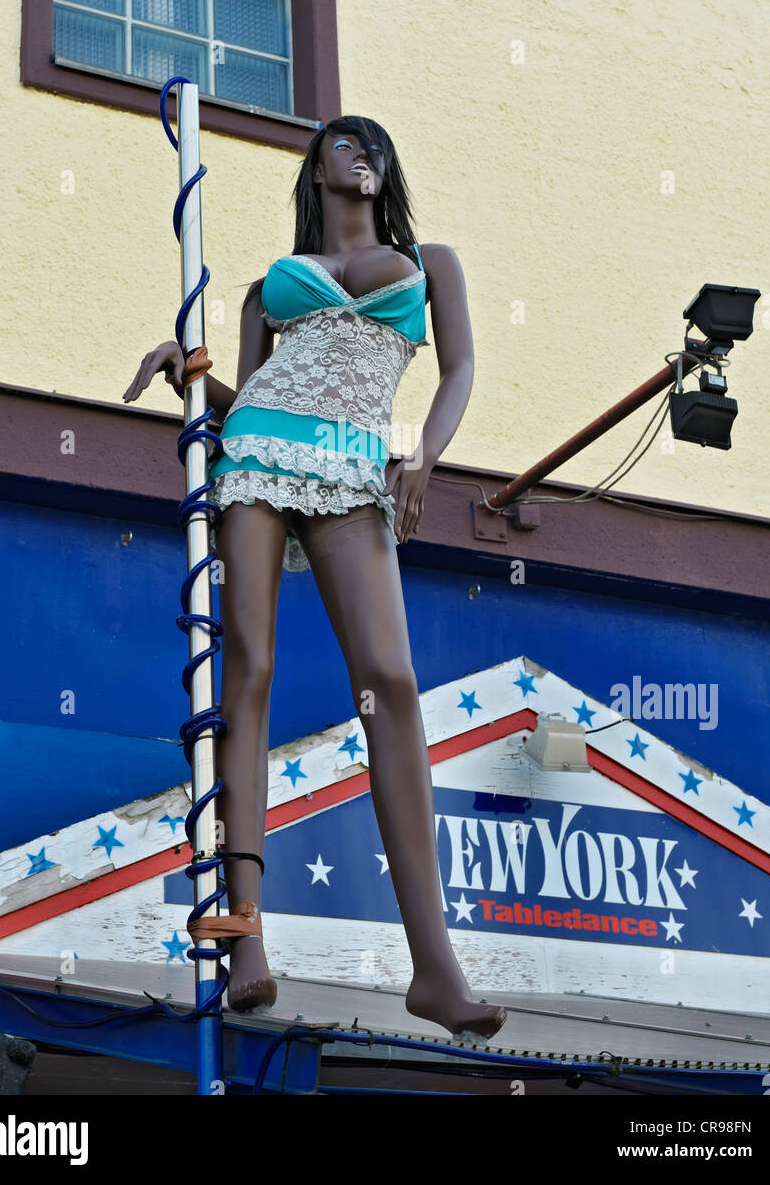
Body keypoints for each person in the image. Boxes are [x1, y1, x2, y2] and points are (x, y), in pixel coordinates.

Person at [124, 116, 507, 1039]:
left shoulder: (428, 264)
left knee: (391, 681)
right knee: (247, 662)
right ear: (317, 169)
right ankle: (247, 938)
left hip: (353, 464)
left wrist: (424, 455)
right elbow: (253, 393)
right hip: (258, 453)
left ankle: (433, 965)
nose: (364, 154)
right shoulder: (268, 290)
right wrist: (194, 375)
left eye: (377, 144)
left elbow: (456, 372)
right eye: (344, 143)